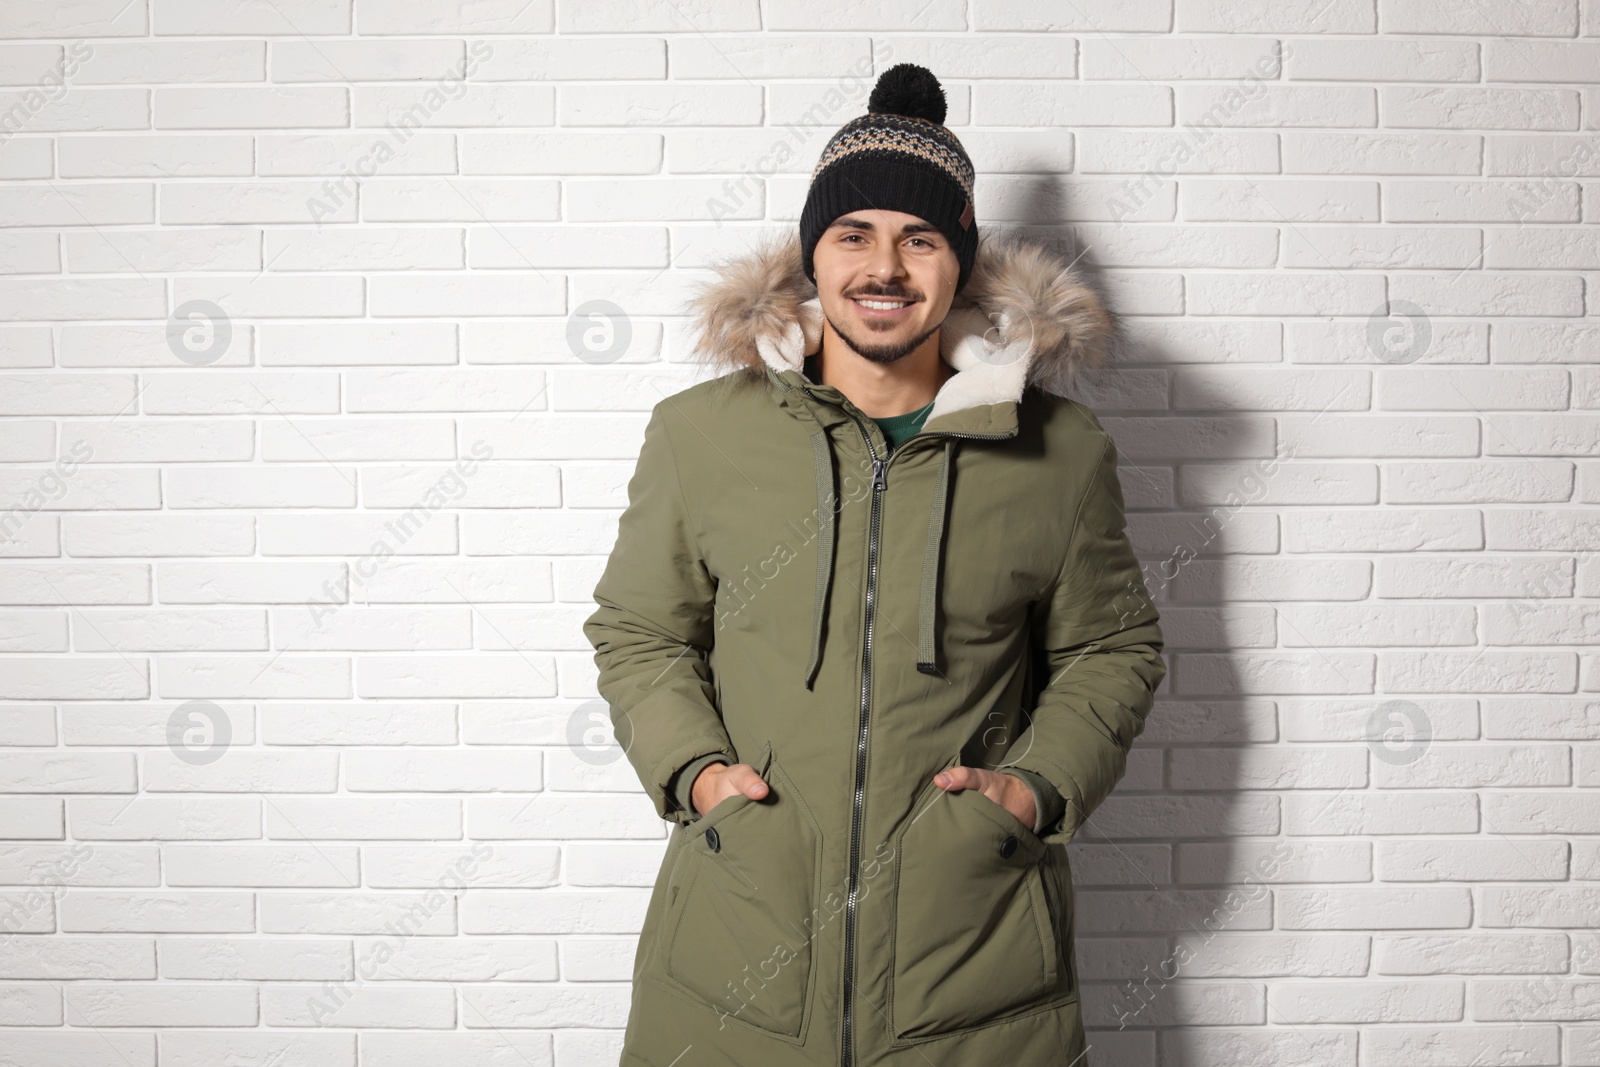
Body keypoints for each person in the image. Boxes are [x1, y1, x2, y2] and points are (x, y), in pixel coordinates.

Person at [583, 63, 1167, 1067]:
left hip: (977, 980)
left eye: (920, 237)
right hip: (732, 962)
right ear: (813, 254)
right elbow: (641, 629)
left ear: (962, 262)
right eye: (853, 233)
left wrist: (1030, 788)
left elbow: (1111, 646)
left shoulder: (1057, 450)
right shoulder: (699, 436)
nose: (883, 265)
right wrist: (700, 775)